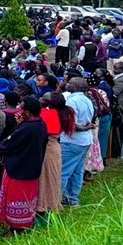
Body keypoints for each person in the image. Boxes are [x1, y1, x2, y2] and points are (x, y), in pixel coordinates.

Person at [0, 97, 47, 231]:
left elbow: (8, 145)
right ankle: (25, 222)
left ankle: (16, 227)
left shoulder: (26, 128)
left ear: (27, 112)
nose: (19, 110)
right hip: (32, 167)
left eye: (22, 108)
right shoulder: (40, 124)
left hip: (19, 169)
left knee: (16, 198)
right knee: (27, 198)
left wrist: (1, 144)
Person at [60, 78, 96, 208]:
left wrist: (83, 127)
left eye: (69, 83)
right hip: (84, 140)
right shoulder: (87, 100)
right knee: (77, 170)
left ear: (75, 86)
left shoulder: (72, 101)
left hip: (72, 140)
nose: (66, 84)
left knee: (63, 171)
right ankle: (72, 198)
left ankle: (57, 200)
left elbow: (71, 124)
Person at [36, 92, 69, 215]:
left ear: (49, 104)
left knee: (46, 179)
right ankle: (49, 203)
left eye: (43, 98)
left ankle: (44, 205)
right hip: (52, 149)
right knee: (51, 178)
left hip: (47, 150)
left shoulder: (48, 114)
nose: (40, 98)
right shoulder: (58, 113)